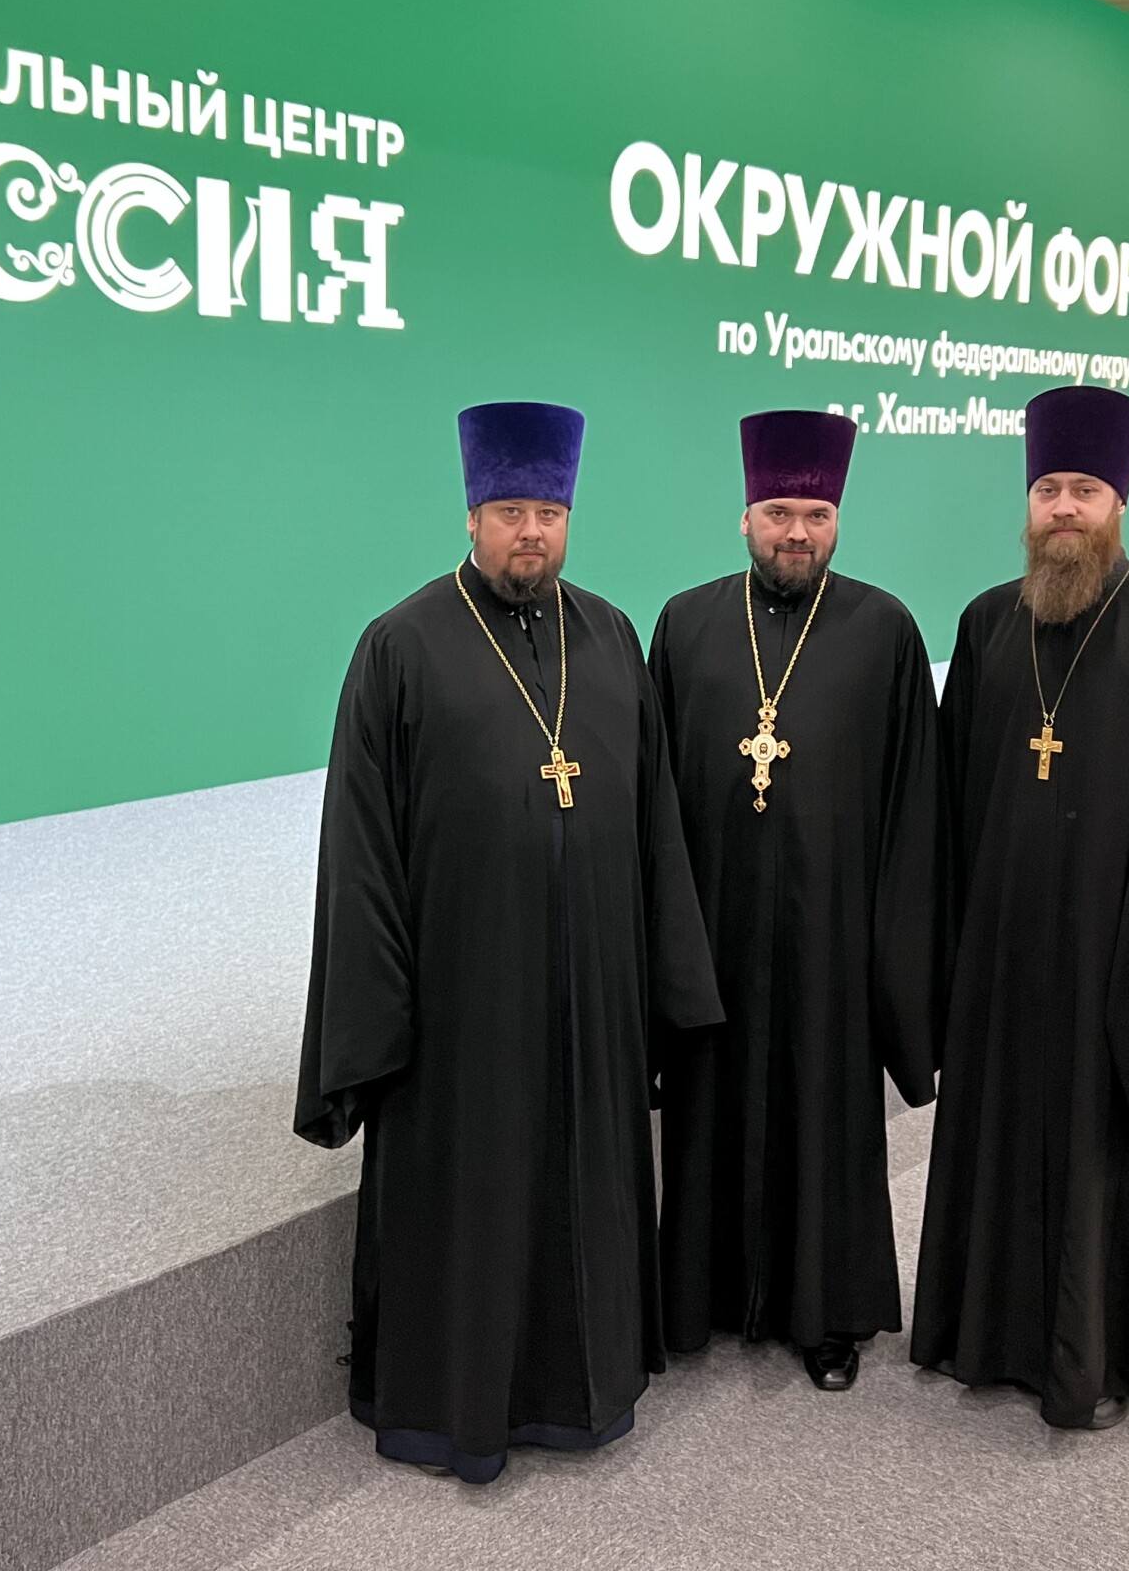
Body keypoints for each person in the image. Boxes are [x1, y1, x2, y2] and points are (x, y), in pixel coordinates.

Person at [295, 400, 723, 1484]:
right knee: (473, 1195)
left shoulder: (612, 638)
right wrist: (373, 1028)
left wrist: (671, 993)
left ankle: (585, 1389)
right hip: (464, 1001)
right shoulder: (400, 646)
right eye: (509, 512)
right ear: (472, 515)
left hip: (594, 993)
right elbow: (360, 851)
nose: (531, 532)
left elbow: (658, 828)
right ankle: (460, 1410)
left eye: (549, 513)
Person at [911, 384, 1129, 1431]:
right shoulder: (987, 624)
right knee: (996, 1138)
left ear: (1119, 505)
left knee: (1101, 1161)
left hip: (1117, 960)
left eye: (1085, 490)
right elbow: (950, 808)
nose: (1064, 507)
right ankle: (981, 1339)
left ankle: (1088, 1363)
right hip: (1002, 957)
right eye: (1048, 489)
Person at [648, 410, 941, 1393]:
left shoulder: (885, 630)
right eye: (779, 512)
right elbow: (652, 797)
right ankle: (703, 1295)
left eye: (816, 515)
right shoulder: (686, 625)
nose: (798, 533)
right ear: (745, 518)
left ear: (837, 521)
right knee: (712, 1103)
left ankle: (828, 1316)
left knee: (825, 1116)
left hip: (832, 939)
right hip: (716, 926)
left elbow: (915, 808)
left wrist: (894, 958)